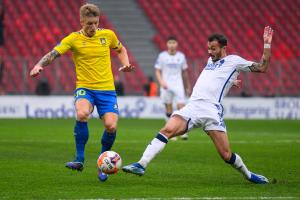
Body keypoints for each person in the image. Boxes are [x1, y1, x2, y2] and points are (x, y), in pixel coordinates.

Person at [122, 26, 274, 184]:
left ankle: (249, 175)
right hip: (193, 107)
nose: (210, 52)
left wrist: (267, 44)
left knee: (226, 155)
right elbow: (215, 78)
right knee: (166, 130)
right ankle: (141, 164)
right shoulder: (210, 60)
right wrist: (231, 81)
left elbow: (262, 67)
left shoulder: (234, 61)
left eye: (213, 49)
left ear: (223, 47)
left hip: (211, 111)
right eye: (208, 48)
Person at [29, 3, 134, 182]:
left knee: (111, 126)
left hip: (107, 90)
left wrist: (125, 63)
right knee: (82, 113)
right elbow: (53, 53)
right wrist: (39, 65)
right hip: (85, 87)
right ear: (81, 22)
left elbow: (121, 49)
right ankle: (79, 159)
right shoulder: (73, 39)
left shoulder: (107, 35)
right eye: (89, 24)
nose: (93, 27)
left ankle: (102, 164)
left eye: (95, 23)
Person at [155, 36, 191, 140]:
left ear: (177, 44)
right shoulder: (162, 56)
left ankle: (182, 132)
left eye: (173, 42)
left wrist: (188, 86)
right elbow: (157, 70)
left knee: (182, 108)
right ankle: (170, 132)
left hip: (178, 85)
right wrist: (161, 82)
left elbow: (184, 72)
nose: (171, 45)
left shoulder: (181, 56)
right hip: (166, 85)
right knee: (169, 109)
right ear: (167, 44)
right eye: (170, 42)